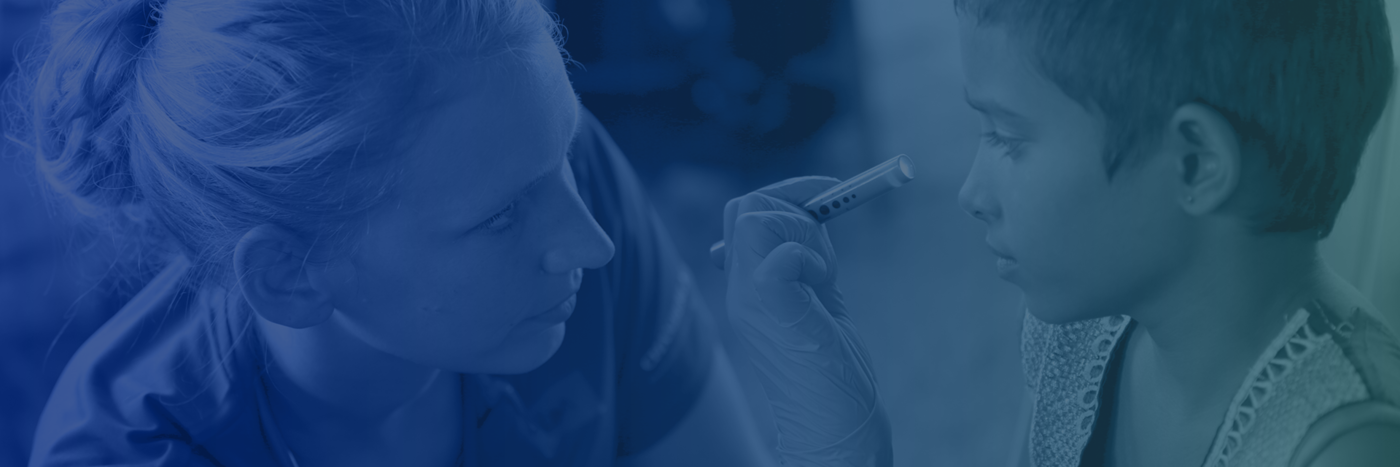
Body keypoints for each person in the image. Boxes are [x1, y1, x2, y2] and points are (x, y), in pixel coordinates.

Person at [5, 0, 774, 465]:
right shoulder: (127, 451)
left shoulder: (549, 174)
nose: (592, 243)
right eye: (500, 218)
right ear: (291, 275)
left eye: (562, 157)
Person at [719, 0, 1400, 466]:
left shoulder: (1347, 445)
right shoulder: (1085, 333)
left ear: (1195, 162)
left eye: (1007, 136)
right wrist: (845, 433)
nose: (970, 194)